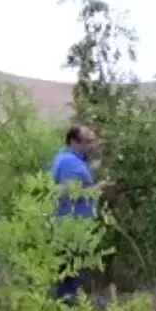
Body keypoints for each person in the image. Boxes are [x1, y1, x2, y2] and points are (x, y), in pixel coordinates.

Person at [51, 124, 108, 300]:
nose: (91, 145)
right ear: (74, 142)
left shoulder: (67, 159)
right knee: (71, 275)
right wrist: (99, 187)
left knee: (69, 273)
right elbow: (72, 193)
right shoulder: (69, 162)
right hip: (72, 228)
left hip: (69, 226)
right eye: (88, 141)